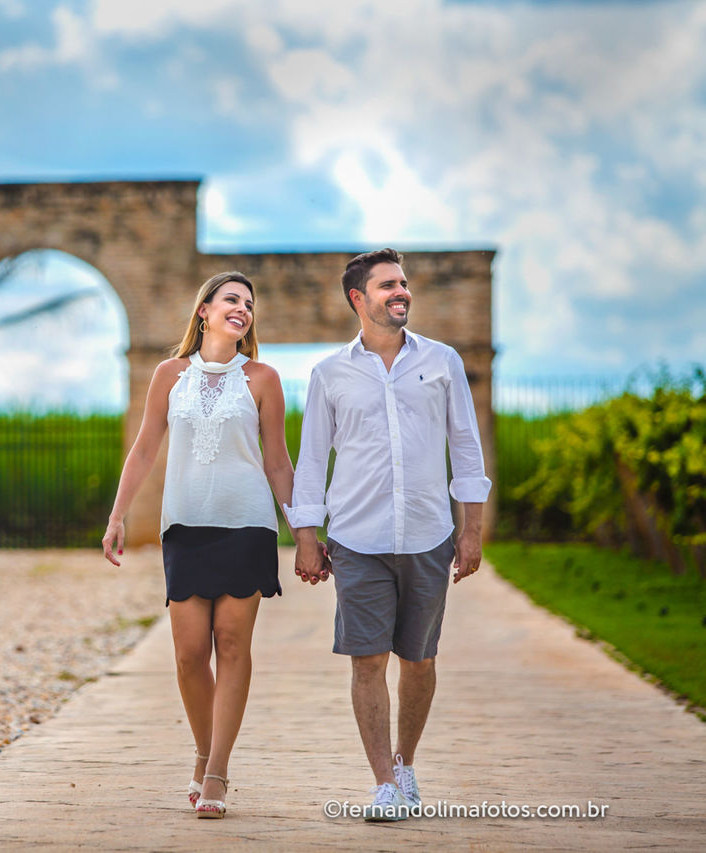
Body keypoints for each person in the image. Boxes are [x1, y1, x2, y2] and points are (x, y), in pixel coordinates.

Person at [102, 271, 318, 819]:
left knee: (233, 644)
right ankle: (204, 750)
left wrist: (304, 534)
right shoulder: (169, 374)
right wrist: (118, 515)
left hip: (247, 526)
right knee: (189, 654)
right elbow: (144, 448)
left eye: (249, 303)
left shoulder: (263, 378)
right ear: (204, 310)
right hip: (185, 527)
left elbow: (278, 462)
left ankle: (216, 770)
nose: (242, 308)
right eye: (231, 299)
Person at [288, 248, 491, 821]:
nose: (401, 292)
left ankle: (405, 764)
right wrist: (307, 537)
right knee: (367, 660)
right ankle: (383, 784)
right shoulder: (329, 373)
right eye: (387, 285)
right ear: (359, 298)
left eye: (403, 283)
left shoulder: (442, 361)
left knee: (419, 660)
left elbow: (466, 446)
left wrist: (471, 530)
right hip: (357, 538)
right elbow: (311, 461)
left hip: (428, 533)